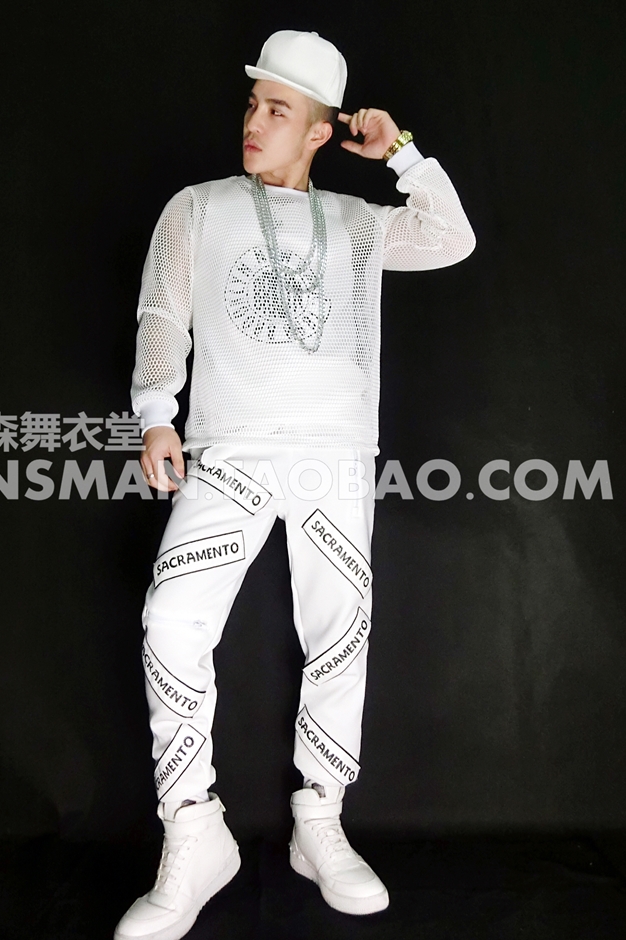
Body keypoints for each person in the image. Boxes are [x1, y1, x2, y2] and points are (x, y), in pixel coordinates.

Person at [114, 28, 476, 940]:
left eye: (278, 110)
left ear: (320, 130)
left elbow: (451, 238)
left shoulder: (358, 223)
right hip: (228, 450)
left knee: (340, 633)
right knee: (173, 622)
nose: (255, 121)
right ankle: (193, 830)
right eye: (252, 104)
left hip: (334, 453)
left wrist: (397, 152)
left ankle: (321, 820)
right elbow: (162, 312)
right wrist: (156, 411)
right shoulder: (197, 209)